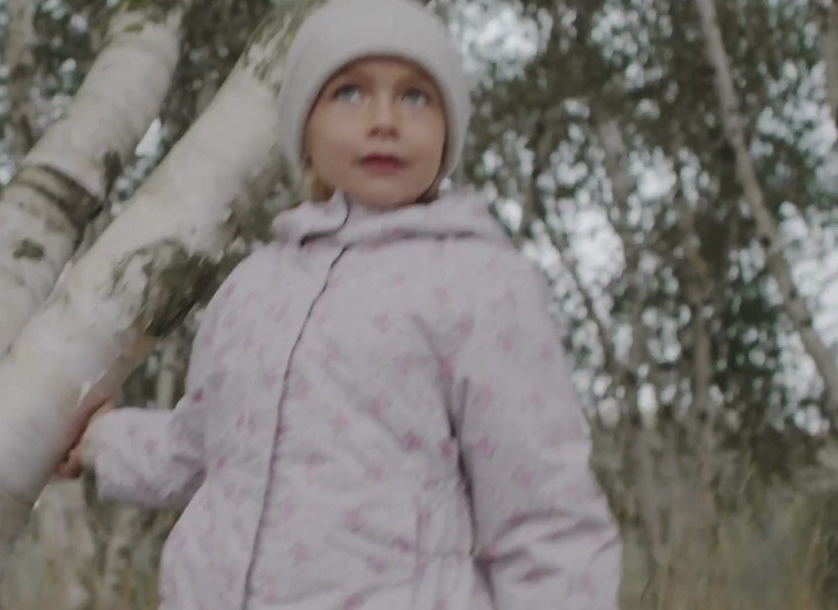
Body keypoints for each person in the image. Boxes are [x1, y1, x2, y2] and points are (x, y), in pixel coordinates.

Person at [56, 0, 623, 608]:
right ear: (304, 130)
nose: (384, 120)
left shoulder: (480, 285)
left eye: (415, 97)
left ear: (448, 128)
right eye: (349, 93)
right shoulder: (252, 288)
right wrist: (102, 441)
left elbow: (543, 513)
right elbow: (202, 449)